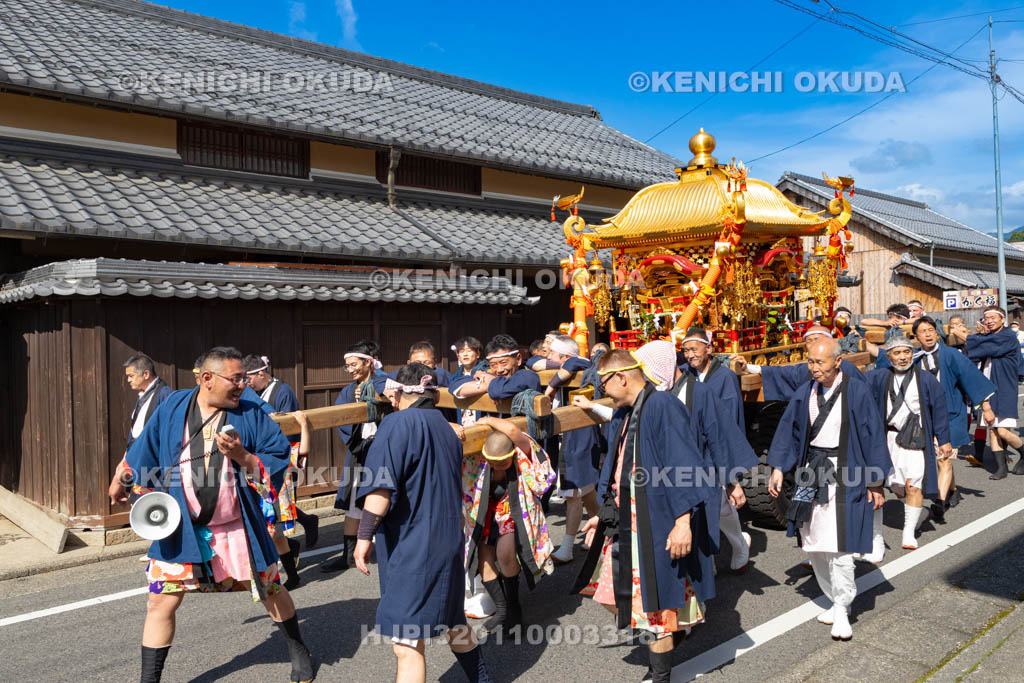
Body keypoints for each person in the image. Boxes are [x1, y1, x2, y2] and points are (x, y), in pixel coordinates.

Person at [125, 347, 314, 683]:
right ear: (208, 379)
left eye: (245, 377)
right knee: (160, 602)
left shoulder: (251, 411)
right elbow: (144, 450)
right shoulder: (173, 406)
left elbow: (277, 454)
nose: (243, 385)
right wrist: (127, 479)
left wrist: (243, 456)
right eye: (236, 378)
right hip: (180, 527)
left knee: (270, 590)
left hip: (237, 527)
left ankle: (297, 647)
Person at [573, 349, 717, 683]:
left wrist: (683, 523)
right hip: (630, 520)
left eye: (604, 382)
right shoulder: (626, 411)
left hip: (658, 520)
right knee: (611, 593)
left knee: (656, 607)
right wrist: (603, 514)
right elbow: (618, 469)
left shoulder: (663, 406)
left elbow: (684, 466)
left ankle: (660, 674)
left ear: (622, 377)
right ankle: (668, 642)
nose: (603, 390)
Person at [354, 363, 492, 683]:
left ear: (402, 392)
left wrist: (363, 537)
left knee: (406, 643)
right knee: (453, 621)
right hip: (447, 539)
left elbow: (381, 486)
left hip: (414, 544)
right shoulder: (447, 427)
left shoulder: (397, 424)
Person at [767, 337, 890, 641]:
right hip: (811, 470)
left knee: (839, 544)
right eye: (810, 361)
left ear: (838, 361)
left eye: (820, 362)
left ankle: (843, 605)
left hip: (846, 469)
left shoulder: (856, 391)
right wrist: (779, 467)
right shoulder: (805, 391)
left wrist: (875, 483)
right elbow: (789, 429)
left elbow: (873, 435)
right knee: (812, 541)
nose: (814, 368)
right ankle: (832, 598)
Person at [634, 340, 758, 572]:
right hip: (672, 466)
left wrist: (731, 480)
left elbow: (718, 436)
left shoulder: (699, 392)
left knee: (715, 510)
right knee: (692, 518)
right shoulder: (654, 394)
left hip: (702, 464)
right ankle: (704, 570)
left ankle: (739, 543)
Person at [876, 317, 995, 520]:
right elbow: (886, 367)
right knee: (940, 457)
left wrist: (986, 407)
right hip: (923, 418)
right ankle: (953, 489)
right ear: (916, 336)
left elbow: (971, 378)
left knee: (944, 458)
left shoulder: (951, 355)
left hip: (950, 412)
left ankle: (939, 502)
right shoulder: (911, 357)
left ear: (937, 332)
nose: (928, 334)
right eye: (923, 331)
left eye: (931, 330)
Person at [462, 415, 556, 632]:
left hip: (511, 513)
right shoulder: (478, 459)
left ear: (513, 453)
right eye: (492, 462)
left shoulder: (521, 452)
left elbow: (513, 432)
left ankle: (514, 609)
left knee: (505, 555)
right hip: (484, 514)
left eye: (502, 462)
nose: (497, 465)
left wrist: (486, 419)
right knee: (482, 562)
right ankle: (502, 608)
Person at [866, 336, 951, 550]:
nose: (902, 357)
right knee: (896, 487)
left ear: (912, 354)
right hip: (888, 440)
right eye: (897, 353)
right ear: (888, 356)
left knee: (913, 486)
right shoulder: (878, 377)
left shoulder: (926, 379)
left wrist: (944, 440)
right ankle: (920, 513)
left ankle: (909, 532)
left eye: (906, 352)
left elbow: (939, 410)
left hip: (916, 439)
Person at [680, 328, 752, 568]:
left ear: (709, 349)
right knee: (702, 504)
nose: (690, 355)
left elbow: (730, 421)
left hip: (717, 445)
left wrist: (730, 469)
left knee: (719, 502)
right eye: (685, 350)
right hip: (693, 447)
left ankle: (739, 543)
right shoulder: (684, 375)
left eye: (694, 349)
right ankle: (707, 560)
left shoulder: (725, 378)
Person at [322, 340, 390, 572]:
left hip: (384, 448)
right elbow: (342, 418)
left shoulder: (385, 382)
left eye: (353, 364)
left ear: (369, 362)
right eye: (347, 366)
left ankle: (389, 548)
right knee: (353, 501)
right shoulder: (349, 391)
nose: (350, 370)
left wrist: (373, 397)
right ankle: (347, 554)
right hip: (361, 449)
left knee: (386, 496)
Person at [243, 354, 320, 550]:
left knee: (275, 501)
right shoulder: (253, 392)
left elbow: (288, 427)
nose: (247, 383)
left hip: (280, 454)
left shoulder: (282, 391)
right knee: (268, 501)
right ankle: (291, 538)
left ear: (261, 373)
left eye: (249, 378)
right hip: (260, 456)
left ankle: (286, 544)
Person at [543, 334, 601, 564]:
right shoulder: (563, 367)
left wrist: (550, 385)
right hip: (567, 436)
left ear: (566, 356)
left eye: (552, 355)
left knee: (573, 491)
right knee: (586, 491)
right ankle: (604, 532)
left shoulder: (581, 364)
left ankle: (566, 547)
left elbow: (578, 362)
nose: (548, 357)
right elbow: (534, 363)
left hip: (580, 436)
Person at [731, 325, 866, 402]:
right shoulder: (804, 371)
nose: (813, 344)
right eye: (809, 341)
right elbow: (778, 373)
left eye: (817, 339)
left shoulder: (848, 370)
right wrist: (747, 366)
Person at [965, 306, 1024, 479]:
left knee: (1003, 431)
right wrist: (978, 338)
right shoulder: (988, 338)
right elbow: (974, 354)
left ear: (1002, 319)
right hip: (987, 384)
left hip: (1005, 385)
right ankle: (1001, 468)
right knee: (992, 429)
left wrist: (967, 336)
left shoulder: (1008, 336)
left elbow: (985, 347)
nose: (989, 321)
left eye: (993, 317)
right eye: (986, 318)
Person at [108, 354, 174, 506]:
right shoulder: (143, 397)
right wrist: (122, 464)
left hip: (153, 466)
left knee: (151, 512)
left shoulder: (164, 396)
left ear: (145, 374)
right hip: (137, 462)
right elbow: (135, 436)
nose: (128, 380)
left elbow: (163, 437)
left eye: (131, 376)